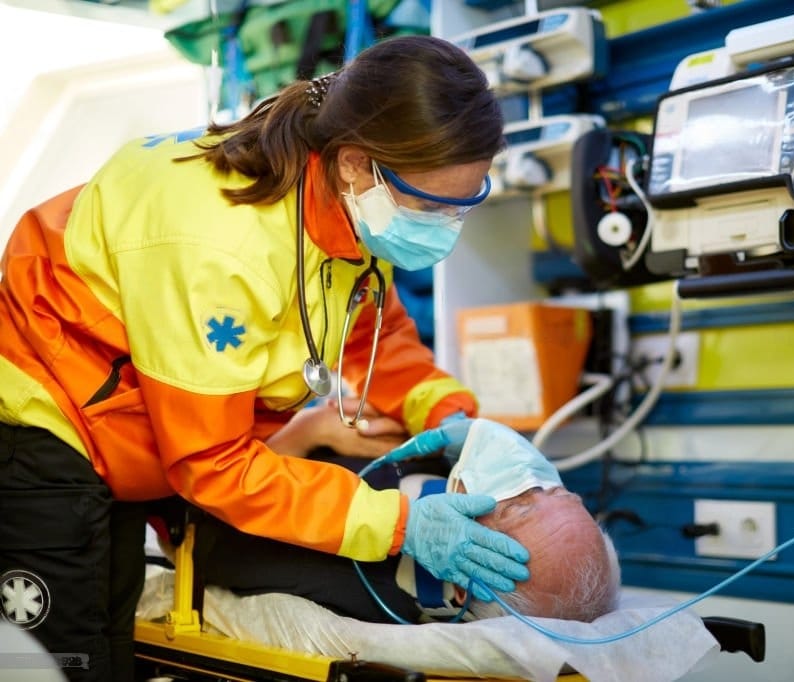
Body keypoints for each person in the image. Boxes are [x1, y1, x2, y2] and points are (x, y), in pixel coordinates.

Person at [0, 35, 530, 682]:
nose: (445, 228)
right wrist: (398, 524)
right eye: (432, 206)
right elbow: (213, 464)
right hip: (43, 415)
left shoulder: (354, 213)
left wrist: (450, 415)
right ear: (357, 165)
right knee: (62, 663)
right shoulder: (219, 246)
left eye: (464, 205)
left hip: (128, 434)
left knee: (108, 644)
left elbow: (373, 333)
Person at [184, 406, 620, 624]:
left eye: (519, 503)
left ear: (461, 587)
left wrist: (305, 431)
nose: (531, 475)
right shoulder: (448, 470)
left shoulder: (343, 585)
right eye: (564, 492)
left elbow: (208, 505)